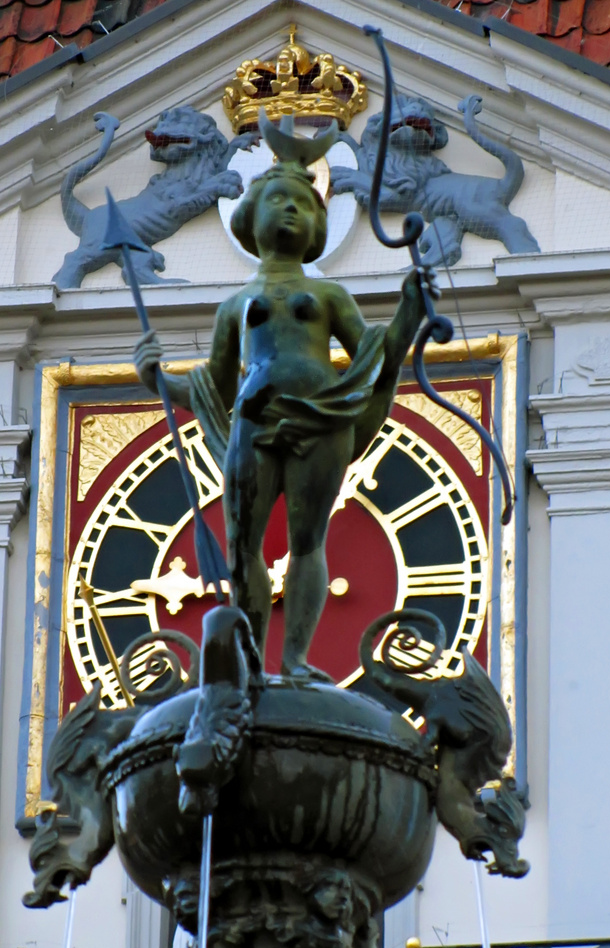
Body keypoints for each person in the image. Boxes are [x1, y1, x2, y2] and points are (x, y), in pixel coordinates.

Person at [134, 123, 434, 678]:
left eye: (304, 202)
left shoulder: (327, 294)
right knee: (242, 544)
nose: (292, 210)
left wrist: (411, 309)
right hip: (253, 416)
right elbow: (213, 388)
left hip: (322, 418)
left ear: (318, 224)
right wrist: (158, 381)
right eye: (279, 199)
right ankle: (250, 660)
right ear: (251, 218)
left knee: (307, 540)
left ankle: (294, 658)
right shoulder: (236, 305)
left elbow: (375, 352)